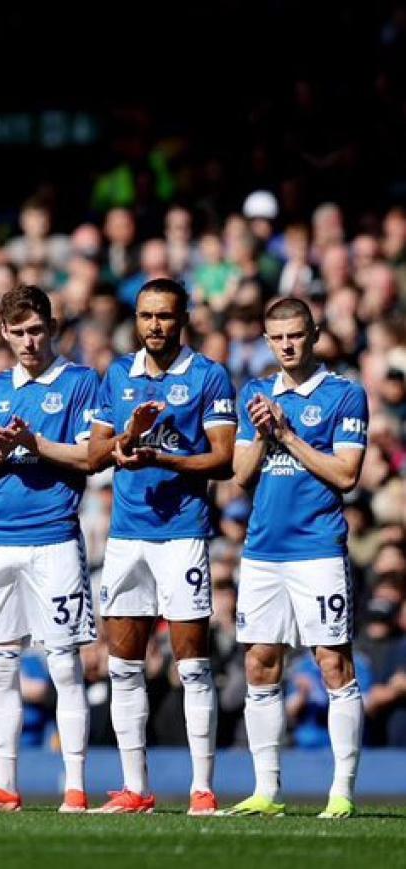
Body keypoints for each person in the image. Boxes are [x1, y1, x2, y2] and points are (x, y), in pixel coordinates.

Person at [85, 278, 235, 815]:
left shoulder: (207, 376)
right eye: (146, 315)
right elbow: (97, 453)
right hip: (127, 537)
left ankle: (202, 789)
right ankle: (135, 789)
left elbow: (223, 461)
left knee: (192, 666)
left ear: (183, 317)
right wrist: (128, 437)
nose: (155, 325)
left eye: (165, 316)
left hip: (181, 536)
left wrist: (160, 458)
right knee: (124, 666)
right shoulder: (118, 374)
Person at [0, 284, 101, 813]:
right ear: (3, 333)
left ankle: (76, 787)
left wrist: (34, 444)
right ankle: (4, 785)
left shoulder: (81, 382)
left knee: (64, 663)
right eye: (18, 332)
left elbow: (91, 456)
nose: (28, 341)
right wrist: (4, 449)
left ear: (52, 327)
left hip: (55, 537)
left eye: (36, 329)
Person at [226, 297, 368, 819]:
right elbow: (240, 475)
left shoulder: (343, 395)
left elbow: (346, 474)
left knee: (333, 662)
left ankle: (343, 793)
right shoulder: (256, 393)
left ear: (315, 334)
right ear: (266, 341)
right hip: (263, 550)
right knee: (260, 662)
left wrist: (287, 434)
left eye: (296, 335)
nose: (287, 345)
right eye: (277, 337)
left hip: (316, 549)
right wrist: (264, 437)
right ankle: (267, 791)